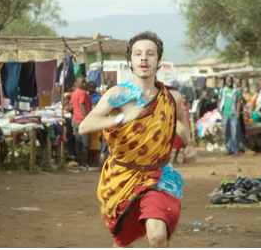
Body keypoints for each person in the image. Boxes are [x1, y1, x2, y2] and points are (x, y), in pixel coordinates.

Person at [79, 31, 197, 247]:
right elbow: (85, 126)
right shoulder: (118, 94)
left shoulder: (172, 97)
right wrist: (123, 118)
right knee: (123, 242)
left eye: (150, 54)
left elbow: (180, 119)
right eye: (138, 54)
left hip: (158, 175)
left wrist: (189, 144)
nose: (144, 58)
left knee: (158, 235)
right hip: (122, 178)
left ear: (158, 62)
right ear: (130, 62)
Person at [70, 75, 92, 170]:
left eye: (85, 82)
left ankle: (79, 164)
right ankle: (83, 164)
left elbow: (71, 107)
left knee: (78, 142)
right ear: (77, 83)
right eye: (82, 82)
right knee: (86, 143)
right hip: (83, 121)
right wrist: (87, 118)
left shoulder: (74, 93)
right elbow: (82, 105)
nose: (84, 83)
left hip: (75, 120)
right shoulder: (82, 93)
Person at [218, 76, 241, 155]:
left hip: (234, 114)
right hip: (225, 114)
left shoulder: (236, 91)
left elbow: (238, 102)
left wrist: (238, 112)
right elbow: (219, 100)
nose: (229, 82)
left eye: (230, 80)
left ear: (232, 81)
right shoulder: (222, 90)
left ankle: (235, 149)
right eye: (228, 80)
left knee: (234, 132)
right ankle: (228, 149)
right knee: (226, 132)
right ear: (225, 81)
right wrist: (219, 110)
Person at [172, 94, 191, 163]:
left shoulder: (188, 107)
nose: (184, 100)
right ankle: (175, 158)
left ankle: (185, 158)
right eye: (183, 99)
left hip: (187, 127)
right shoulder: (179, 107)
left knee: (186, 144)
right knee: (179, 144)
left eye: (186, 99)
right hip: (180, 128)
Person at [87, 80, 102, 166]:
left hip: (97, 121)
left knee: (96, 142)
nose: (91, 89)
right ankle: (89, 161)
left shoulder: (98, 97)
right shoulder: (86, 96)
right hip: (89, 121)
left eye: (93, 87)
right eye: (90, 87)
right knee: (89, 142)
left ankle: (94, 161)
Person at [234, 78, 249, 147]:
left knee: (241, 128)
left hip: (240, 112)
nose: (239, 84)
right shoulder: (234, 91)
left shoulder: (239, 91)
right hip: (235, 113)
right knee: (239, 129)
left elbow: (244, 101)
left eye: (240, 82)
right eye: (238, 83)